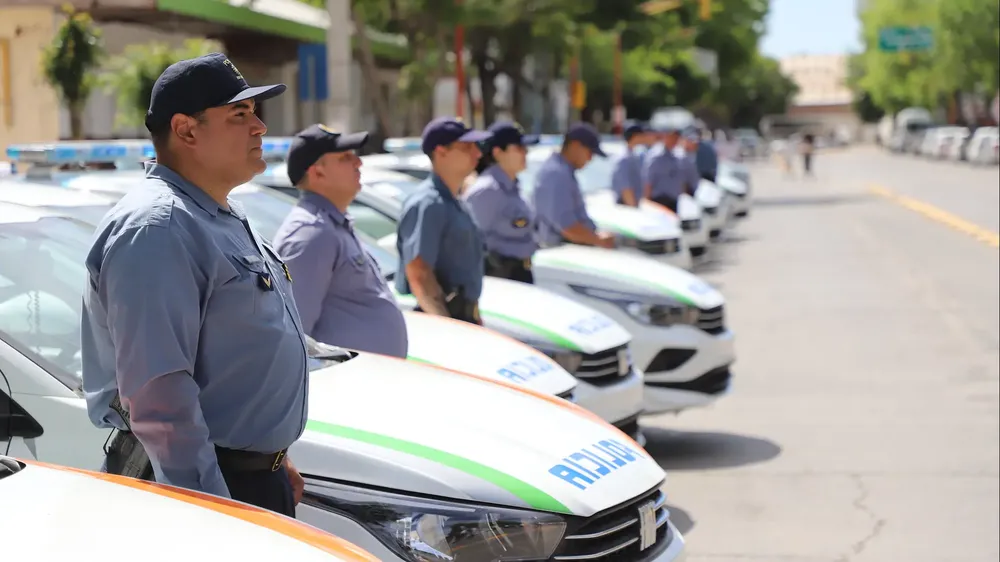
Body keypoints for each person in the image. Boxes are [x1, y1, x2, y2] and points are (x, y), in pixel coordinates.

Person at [80, 53, 306, 517]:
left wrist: (274, 458)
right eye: (240, 115)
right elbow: (161, 399)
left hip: (247, 476)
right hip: (204, 488)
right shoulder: (158, 228)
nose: (260, 128)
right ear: (185, 130)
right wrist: (210, 512)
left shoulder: (218, 212)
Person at [272, 124, 408, 359]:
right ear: (317, 173)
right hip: (344, 385)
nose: (359, 163)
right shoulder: (310, 233)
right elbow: (295, 336)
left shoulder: (331, 224)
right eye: (346, 157)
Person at [395, 117, 492, 324]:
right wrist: (448, 329)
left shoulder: (455, 200)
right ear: (441, 152)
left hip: (462, 316)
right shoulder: (428, 203)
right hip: (443, 319)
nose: (477, 153)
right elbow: (419, 274)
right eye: (467, 147)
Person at [463, 121, 540, 284]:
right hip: (500, 276)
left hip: (520, 272)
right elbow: (469, 244)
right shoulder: (487, 191)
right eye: (519, 148)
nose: (525, 153)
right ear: (498, 152)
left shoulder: (513, 186)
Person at [532, 122, 616, 249]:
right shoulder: (557, 174)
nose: (590, 159)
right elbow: (567, 227)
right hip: (561, 253)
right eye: (590, 153)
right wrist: (598, 240)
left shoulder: (563, 172)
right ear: (575, 146)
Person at [642, 127, 686, 212]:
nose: (674, 141)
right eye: (672, 138)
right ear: (665, 137)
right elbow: (648, 181)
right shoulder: (656, 156)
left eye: (676, 139)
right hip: (658, 200)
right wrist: (646, 202)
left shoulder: (677, 156)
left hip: (673, 200)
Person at [611, 121, 653, 207]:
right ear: (634, 137)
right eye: (641, 135)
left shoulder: (634, 156)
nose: (644, 138)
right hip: (626, 206)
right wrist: (633, 209)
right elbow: (625, 188)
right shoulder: (624, 159)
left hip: (633, 204)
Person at [678, 128, 705, 196]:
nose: (694, 144)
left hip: (693, 190)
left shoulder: (694, 154)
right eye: (690, 141)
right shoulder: (679, 155)